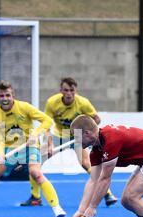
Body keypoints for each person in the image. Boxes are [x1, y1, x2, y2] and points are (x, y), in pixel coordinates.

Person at [0, 80, 67, 217]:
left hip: (30, 145)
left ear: (13, 96)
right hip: (9, 148)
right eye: (2, 96)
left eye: (8, 95)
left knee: (36, 172)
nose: (5, 99)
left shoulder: (24, 107)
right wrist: (0, 154)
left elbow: (47, 120)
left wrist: (35, 134)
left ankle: (57, 208)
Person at [20, 77, 118, 207]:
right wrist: (50, 144)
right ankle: (35, 198)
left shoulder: (83, 103)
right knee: (36, 160)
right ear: (61, 90)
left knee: (86, 163)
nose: (69, 93)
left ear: (76, 91)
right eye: (66, 90)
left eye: (72, 90)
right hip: (59, 135)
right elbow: (47, 125)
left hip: (77, 135)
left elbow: (96, 120)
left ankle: (107, 194)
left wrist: (90, 123)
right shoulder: (52, 103)